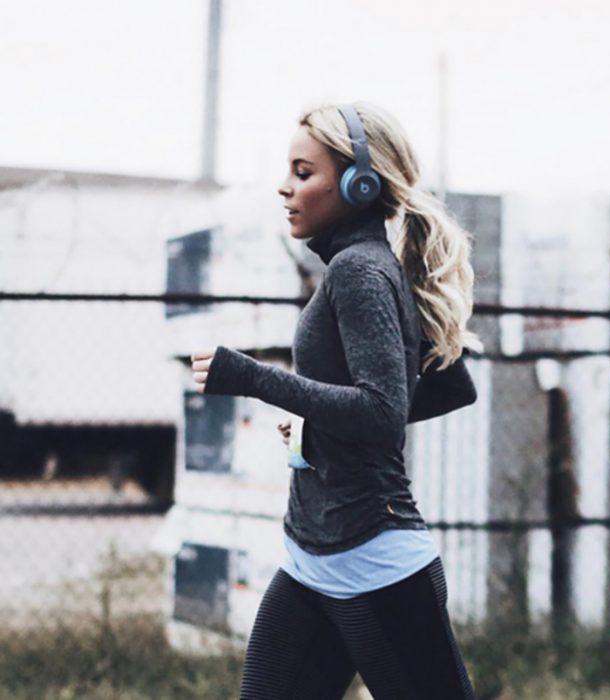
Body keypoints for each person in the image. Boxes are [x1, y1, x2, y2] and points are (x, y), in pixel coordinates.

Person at [190, 101, 482, 700]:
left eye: (303, 172)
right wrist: (313, 425)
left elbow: (380, 413)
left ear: (359, 183)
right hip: (310, 558)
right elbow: (445, 386)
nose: (285, 186)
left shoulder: (360, 272)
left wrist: (252, 377)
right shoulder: (365, 268)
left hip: (376, 563)